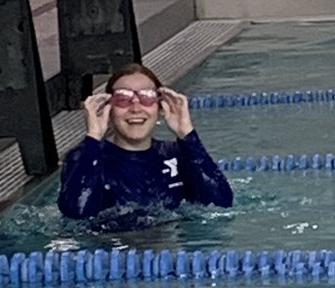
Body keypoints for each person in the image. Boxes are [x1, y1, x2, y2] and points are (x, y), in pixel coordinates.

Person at [58, 63, 233, 228]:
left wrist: (187, 134)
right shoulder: (84, 157)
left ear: (160, 108)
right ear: (109, 109)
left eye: (147, 97)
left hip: (165, 251)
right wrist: (93, 138)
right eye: (123, 98)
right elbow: (77, 214)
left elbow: (220, 204)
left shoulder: (176, 154)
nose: (135, 108)